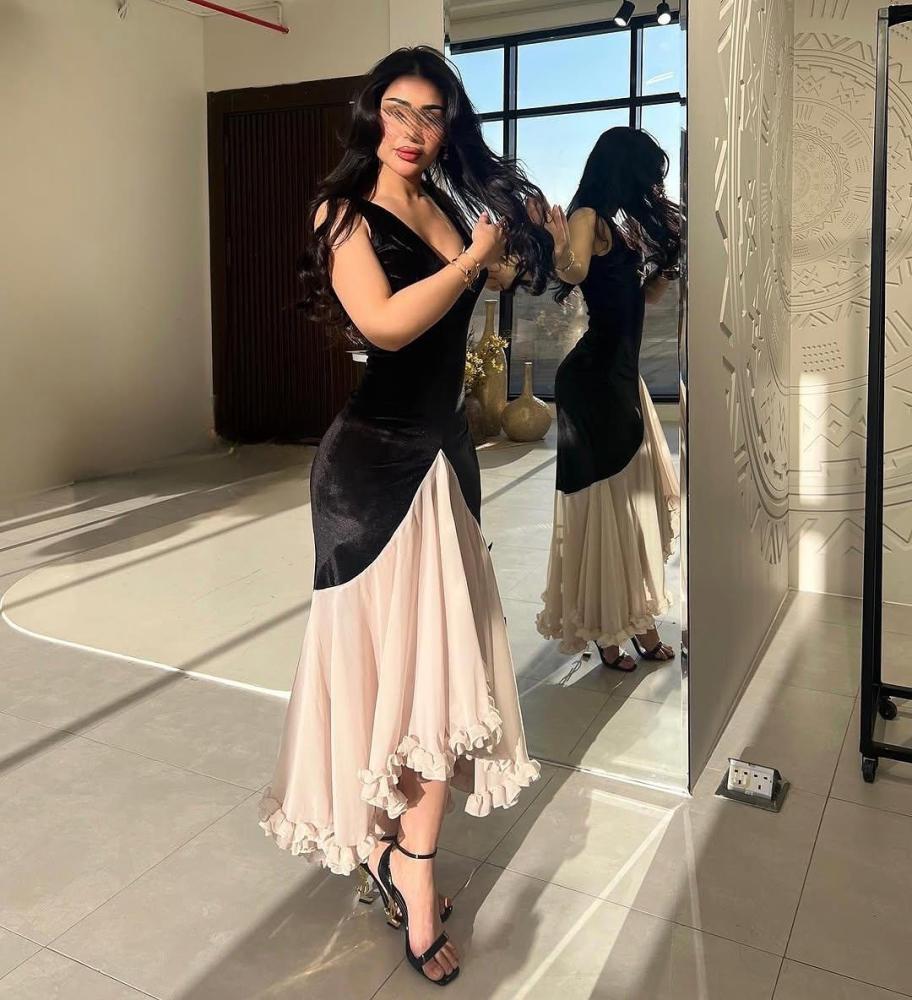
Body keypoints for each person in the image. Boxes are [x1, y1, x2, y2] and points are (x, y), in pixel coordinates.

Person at [258, 46, 565, 986]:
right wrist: (472, 259)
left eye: (432, 115)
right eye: (398, 109)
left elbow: (493, 281)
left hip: (445, 461)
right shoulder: (344, 211)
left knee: (439, 679)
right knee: (398, 679)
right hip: (370, 475)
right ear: (372, 113)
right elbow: (385, 324)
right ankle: (411, 872)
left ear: (447, 127)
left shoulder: (447, 204)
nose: (414, 130)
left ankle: (405, 858)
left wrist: (516, 246)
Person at [537, 126, 681, 672]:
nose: (651, 188)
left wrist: (667, 267)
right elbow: (574, 271)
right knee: (610, 507)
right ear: (623, 170)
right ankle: (610, 628)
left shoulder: (616, 225)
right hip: (594, 379)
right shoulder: (587, 216)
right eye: (646, 176)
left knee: (628, 506)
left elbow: (641, 299)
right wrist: (557, 247)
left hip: (618, 374)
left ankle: (631, 620)